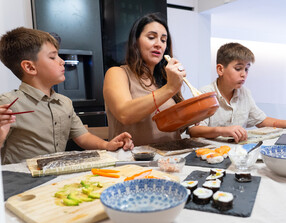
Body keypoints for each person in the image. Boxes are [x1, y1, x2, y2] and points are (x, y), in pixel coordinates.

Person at [0, 27, 134, 164]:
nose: (62, 61)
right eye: (52, 57)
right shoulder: (8, 104)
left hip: (56, 179)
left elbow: (83, 137)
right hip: (21, 182)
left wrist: (107, 145)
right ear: (30, 67)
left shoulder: (64, 102)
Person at [188, 42, 286, 143]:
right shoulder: (204, 94)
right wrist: (222, 131)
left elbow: (261, 120)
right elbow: (194, 130)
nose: (244, 74)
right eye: (238, 69)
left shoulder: (244, 93)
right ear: (220, 69)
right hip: (208, 154)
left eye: (247, 69)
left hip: (236, 153)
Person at [103, 13, 186, 146]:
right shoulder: (117, 73)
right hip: (133, 160)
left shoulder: (165, 79)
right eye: (151, 37)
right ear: (135, 42)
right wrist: (170, 88)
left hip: (171, 157)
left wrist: (195, 115)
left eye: (163, 40)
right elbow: (125, 114)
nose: (159, 44)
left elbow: (177, 128)